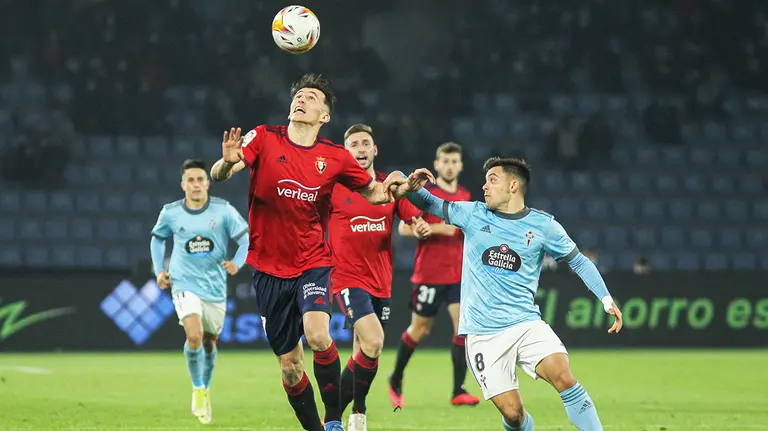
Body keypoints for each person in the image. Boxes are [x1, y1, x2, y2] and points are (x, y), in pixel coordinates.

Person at [209, 74, 402, 431]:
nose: (301, 100)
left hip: (313, 261)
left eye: (311, 97)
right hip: (268, 268)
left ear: (324, 116)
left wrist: (399, 189)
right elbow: (222, 173)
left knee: (317, 334)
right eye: (299, 95)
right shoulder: (263, 137)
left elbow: (375, 193)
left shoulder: (335, 157)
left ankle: (334, 421)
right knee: (290, 366)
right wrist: (225, 163)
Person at [391, 157, 624, 431]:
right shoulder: (473, 214)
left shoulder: (543, 226)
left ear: (513, 186)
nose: (484, 186)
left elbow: (579, 261)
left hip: (526, 324)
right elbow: (429, 202)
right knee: (513, 414)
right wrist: (407, 182)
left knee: (563, 375)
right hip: (482, 334)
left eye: (492, 180)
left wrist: (606, 299)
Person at [328, 124, 431, 431]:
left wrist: (418, 226)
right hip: (347, 278)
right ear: (346, 152)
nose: (360, 148)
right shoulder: (334, 188)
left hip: (381, 281)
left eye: (365, 143)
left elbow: (411, 218)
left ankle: (356, 412)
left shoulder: (389, 187)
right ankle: (331, 417)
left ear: (374, 150)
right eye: (354, 144)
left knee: (364, 350)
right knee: (373, 341)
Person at [150, 159, 249, 425]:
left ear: (207, 183)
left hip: (214, 287)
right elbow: (157, 239)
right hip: (183, 283)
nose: (196, 184)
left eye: (200, 179)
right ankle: (197, 389)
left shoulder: (223, 210)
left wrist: (237, 262)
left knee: (209, 342)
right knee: (193, 335)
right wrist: (159, 270)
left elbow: (246, 238)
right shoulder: (171, 213)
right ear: (183, 184)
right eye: (190, 180)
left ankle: (205, 386)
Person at [389, 142, 481, 407]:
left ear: (460, 166)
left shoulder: (465, 195)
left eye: (454, 162)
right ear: (437, 165)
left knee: (463, 328)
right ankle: (395, 378)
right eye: (445, 161)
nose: (450, 166)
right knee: (420, 330)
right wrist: (436, 228)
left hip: (458, 275)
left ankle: (458, 390)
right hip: (429, 274)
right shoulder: (425, 194)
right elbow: (404, 228)